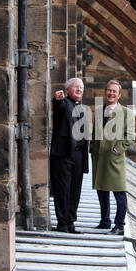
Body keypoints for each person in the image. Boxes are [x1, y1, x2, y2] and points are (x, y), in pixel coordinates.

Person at [90, 80, 135, 235]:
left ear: (119, 95)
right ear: (105, 92)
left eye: (114, 91)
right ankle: (105, 221)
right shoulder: (99, 110)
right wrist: (92, 150)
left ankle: (119, 225)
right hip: (99, 157)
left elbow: (129, 136)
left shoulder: (126, 113)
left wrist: (118, 150)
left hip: (114, 158)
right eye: (109, 90)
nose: (111, 93)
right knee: (102, 190)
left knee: (119, 192)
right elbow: (96, 133)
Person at [50, 77, 89, 234]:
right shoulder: (64, 104)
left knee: (75, 190)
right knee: (62, 190)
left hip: (78, 156)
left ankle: (70, 222)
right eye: (76, 87)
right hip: (63, 155)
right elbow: (58, 108)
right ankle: (62, 223)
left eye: (81, 87)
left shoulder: (82, 108)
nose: (79, 89)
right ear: (67, 90)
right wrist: (57, 99)